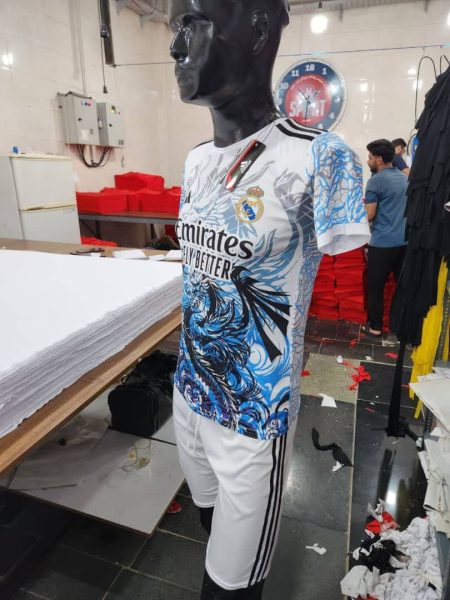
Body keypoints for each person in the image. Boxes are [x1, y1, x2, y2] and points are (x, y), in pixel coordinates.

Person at [169, 1, 370, 597]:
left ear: (258, 30)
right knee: (209, 534)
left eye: (193, 23)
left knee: (230, 584)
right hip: (189, 392)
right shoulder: (196, 160)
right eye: (173, 28)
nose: (176, 46)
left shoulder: (321, 156)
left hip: (253, 415)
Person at [364, 139, 408, 338]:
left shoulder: (376, 181)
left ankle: (375, 327)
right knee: (403, 287)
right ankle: (401, 327)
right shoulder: (404, 178)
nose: (368, 161)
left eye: (370, 157)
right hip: (404, 243)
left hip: (382, 244)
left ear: (379, 160)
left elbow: (370, 214)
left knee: (375, 287)